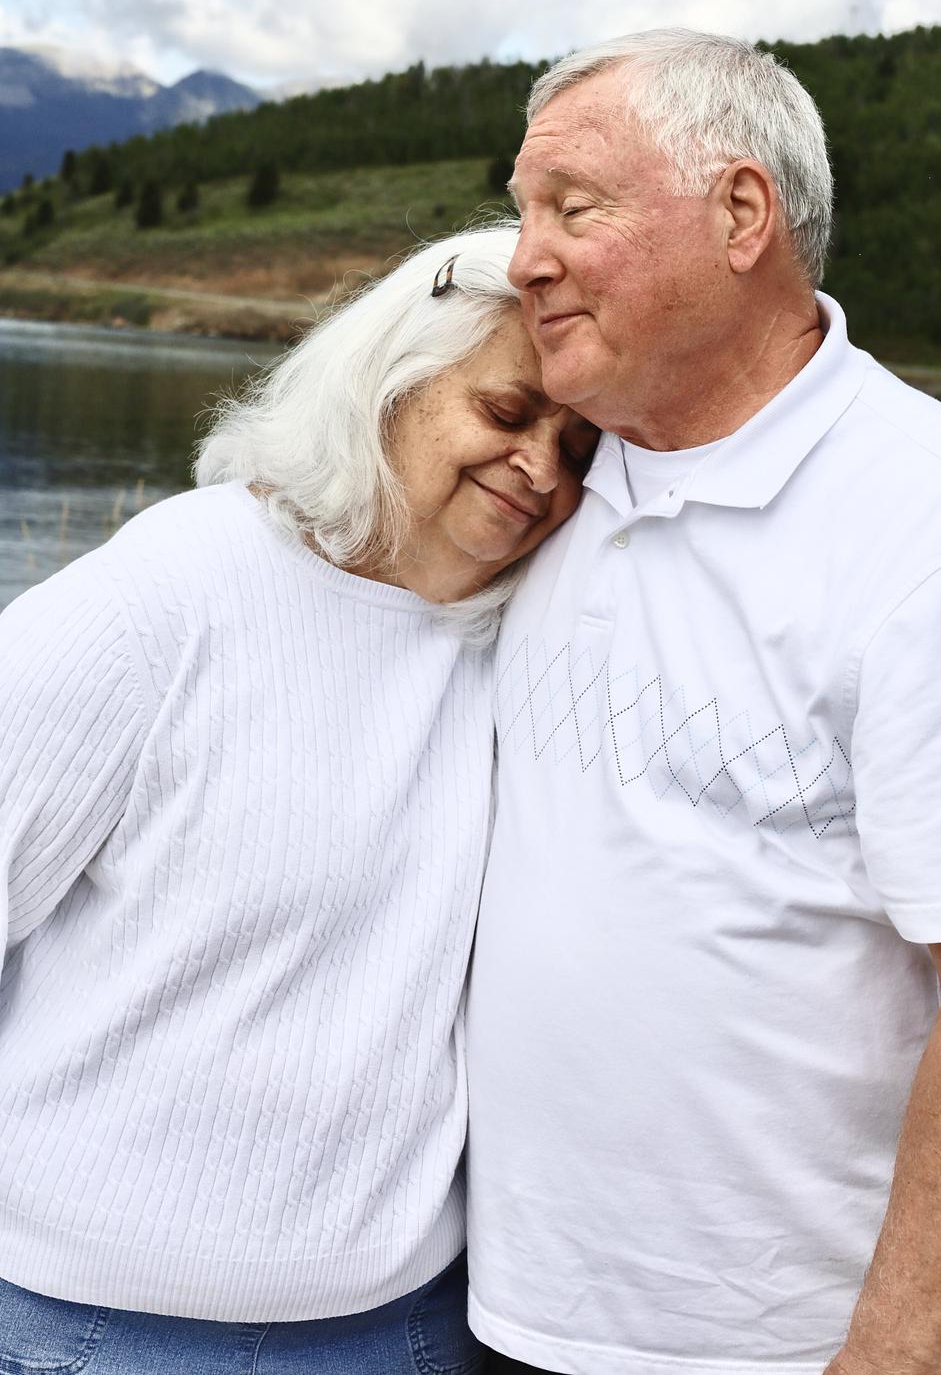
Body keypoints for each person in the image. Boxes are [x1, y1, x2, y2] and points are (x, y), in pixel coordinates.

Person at [465, 30, 941, 1375]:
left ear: (742, 214)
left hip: (779, 1349)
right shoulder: (546, 483)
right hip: (498, 1314)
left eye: (573, 208)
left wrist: (893, 1355)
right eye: (523, 214)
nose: (524, 258)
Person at [0, 225, 596, 1371]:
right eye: (508, 413)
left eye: (579, 448)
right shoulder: (157, 604)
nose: (540, 469)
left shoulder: (526, 649)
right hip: (86, 1329)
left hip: (406, 1329)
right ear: (388, 381)